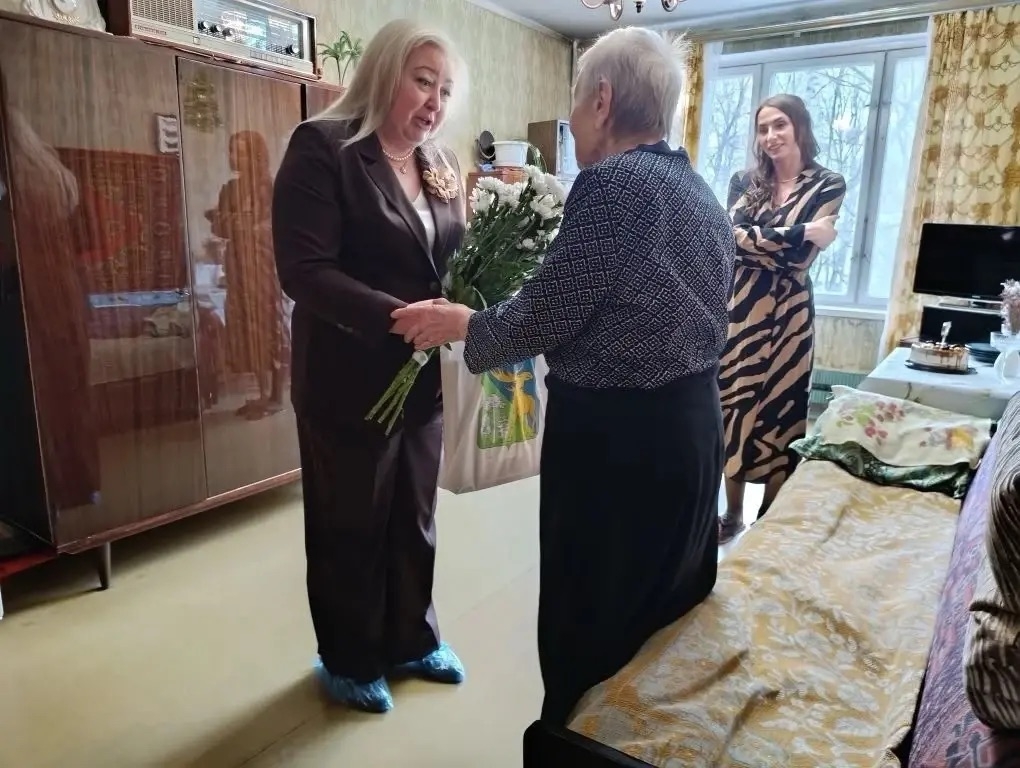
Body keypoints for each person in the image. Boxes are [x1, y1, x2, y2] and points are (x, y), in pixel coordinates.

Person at [391, 27, 734, 726]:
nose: (574, 121)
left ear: (602, 101)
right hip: (695, 432)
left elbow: (548, 314)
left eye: (576, 102)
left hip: (620, 447)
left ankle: (576, 745)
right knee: (665, 616)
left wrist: (465, 324)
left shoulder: (612, 186)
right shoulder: (701, 193)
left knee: (594, 621)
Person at [271, 19, 468, 714]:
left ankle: (412, 638)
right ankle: (349, 658)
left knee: (414, 514)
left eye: (446, 90)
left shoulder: (439, 163)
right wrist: (400, 317)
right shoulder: (325, 148)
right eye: (423, 81)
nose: (435, 102)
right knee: (350, 521)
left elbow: (455, 257)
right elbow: (305, 269)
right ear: (384, 73)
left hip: (424, 377)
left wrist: (472, 299)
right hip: (346, 377)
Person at [717, 94, 847, 543]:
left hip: (791, 315)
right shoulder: (744, 181)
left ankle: (768, 517)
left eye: (779, 125)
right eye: (763, 128)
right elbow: (727, 238)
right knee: (734, 405)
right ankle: (732, 514)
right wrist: (803, 230)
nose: (770, 136)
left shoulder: (828, 184)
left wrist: (760, 241)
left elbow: (798, 260)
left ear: (799, 128)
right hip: (741, 310)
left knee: (784, 408)